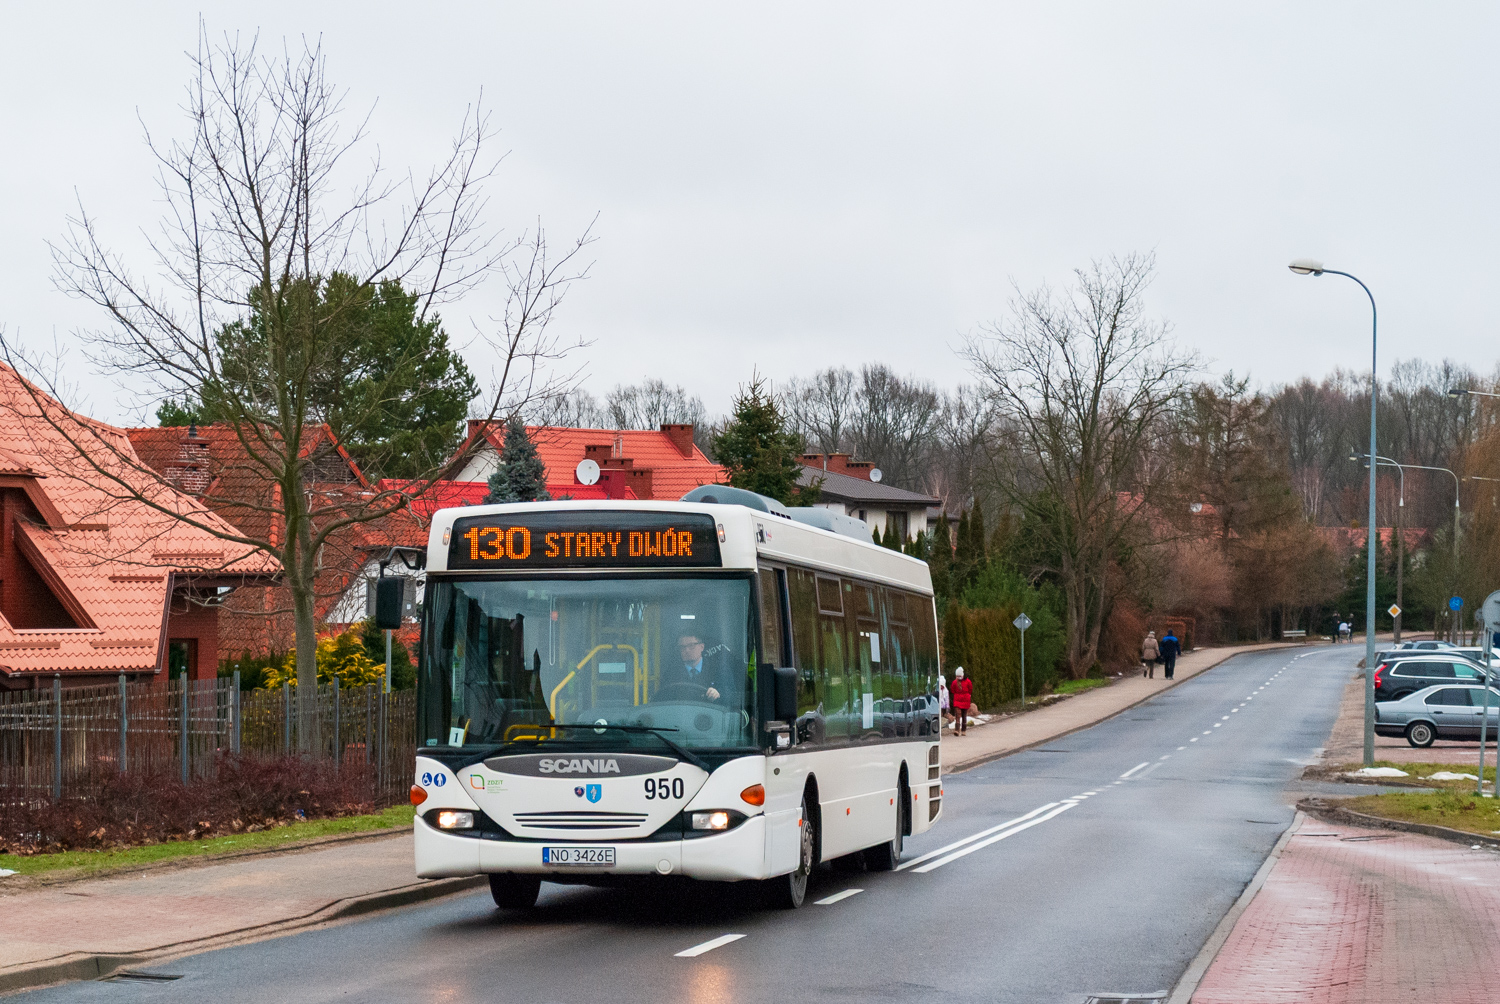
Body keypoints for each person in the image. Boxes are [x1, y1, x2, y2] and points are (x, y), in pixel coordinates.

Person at [662, 631, 728, 702]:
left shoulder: (717, 668)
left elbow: (730, 695)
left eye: (691, 646)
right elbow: (663, 697)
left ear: (702, 647)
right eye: (682, 647)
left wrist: (717, 694)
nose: (686, 650)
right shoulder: (671, 673)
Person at [950, 666, 974, 735]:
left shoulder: (956, 682)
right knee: (960, 715)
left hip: (961, 700)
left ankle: (961, 730)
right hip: (961, 701)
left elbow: (952, 690)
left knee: (962, 715)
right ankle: (960, 730)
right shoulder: (967, 682)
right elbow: (970, 690)